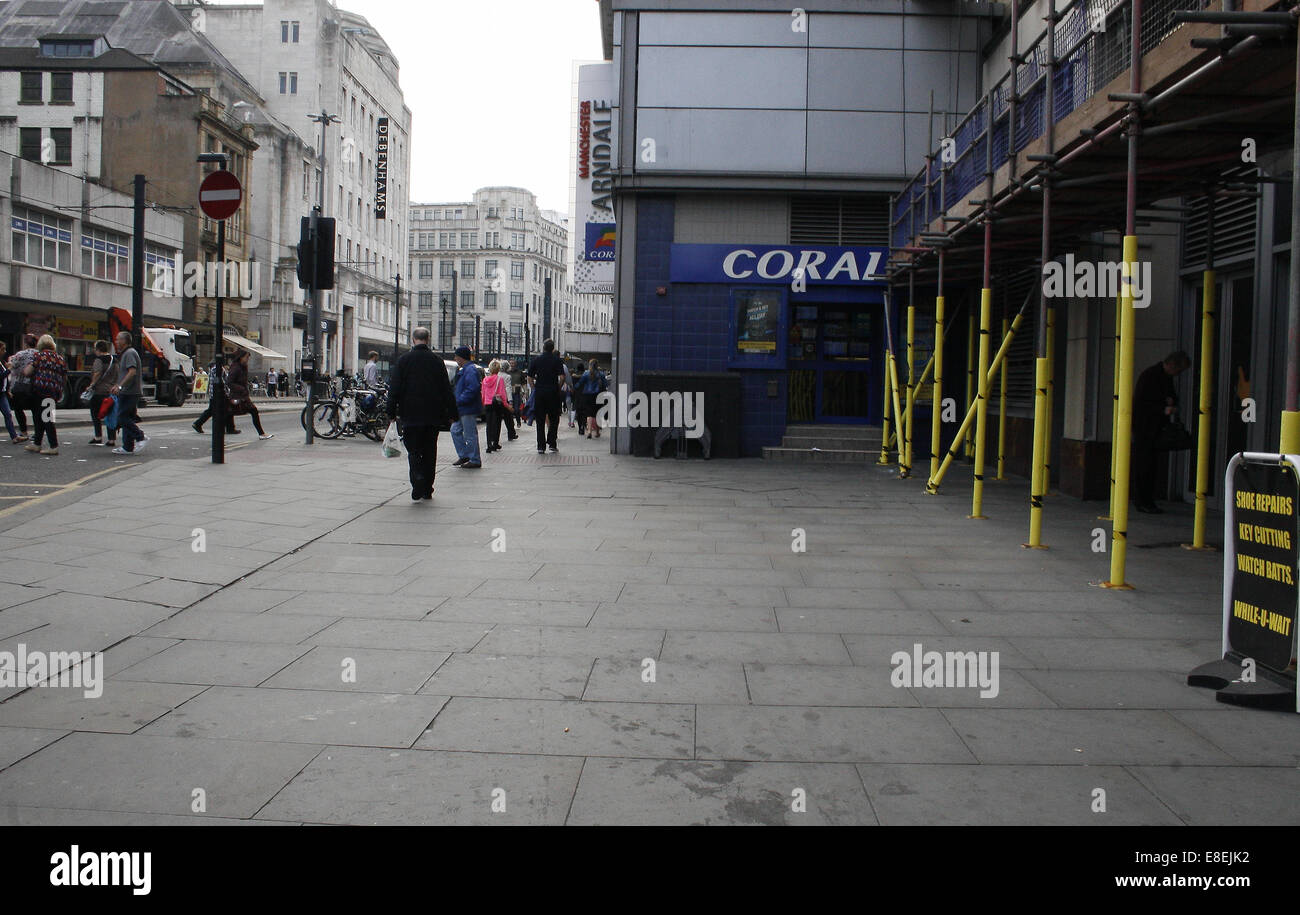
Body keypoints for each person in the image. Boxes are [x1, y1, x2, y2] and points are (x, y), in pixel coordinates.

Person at [387, 327, 458, 500]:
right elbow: (446, 389)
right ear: (428, 339)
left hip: (410, 413)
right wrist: (453, 412)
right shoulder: (437, 361)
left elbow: (394, 388)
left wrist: (390, 411)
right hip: (433, 415)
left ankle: (417, 478)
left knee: (413, 449)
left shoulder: (404, 360)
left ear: (413, 340)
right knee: (430, 450)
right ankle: (427, 487)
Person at [1132, 350, 1191, 514]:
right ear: (1172, 364)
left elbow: (1169, 397)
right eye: (1178, 371)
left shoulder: (1162, 377)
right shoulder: (1151, 376)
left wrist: (1170, 403)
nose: (1178, 374)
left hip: (1153, 428)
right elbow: (1141, 404)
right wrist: (1163, 409)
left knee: (1150, 466)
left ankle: (1146, 500)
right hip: (1146, 428)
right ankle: (1142, 500)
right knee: (1144, 466)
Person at [22, 334, 66, 455]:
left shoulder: (39, 356)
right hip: (53, 391)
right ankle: (37, 443)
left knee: (41, 418)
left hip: (40, 390)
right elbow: (63, 376)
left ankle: (53, 446)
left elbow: (27, 372)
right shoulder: (60, 358)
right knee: (46, 417)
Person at [110, 331, 148, 455]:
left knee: (122, 417)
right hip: (128, 391)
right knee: (128, 417)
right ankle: (127, 447)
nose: (116, 342)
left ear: (124, 341)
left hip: (130, 392)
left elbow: (132, 372)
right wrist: (117, 385)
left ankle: (140, 436)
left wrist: (120, 386)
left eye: (118, 339)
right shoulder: (127, 353)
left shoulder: (130, 353)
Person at [526, 338, 566, 454]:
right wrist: (558, 387)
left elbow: (529, 377)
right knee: (554, 418)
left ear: (543, 347)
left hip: (540, 392)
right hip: (553, 392)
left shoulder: (537, 359)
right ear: (553, 348)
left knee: (540, 419)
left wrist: (534, 388)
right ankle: (552, 443)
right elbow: (562, 377)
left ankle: (541, 446)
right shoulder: (557, 360)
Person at [227, 350, 273, 439]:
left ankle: (229, 429)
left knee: (230, 412)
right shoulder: (236, 367)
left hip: (242, 395)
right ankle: (261, 433)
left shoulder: (243, 366)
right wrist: (242, 389)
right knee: (253, 411)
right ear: (241, 357)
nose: (248, 359)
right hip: (238, 396)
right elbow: (229, 382)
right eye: (246, 357)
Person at [449, 345, 482, 468]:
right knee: (455, 430)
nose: (455, 359)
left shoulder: (470, 370)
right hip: (463, 407)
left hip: (467, 407)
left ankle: (474, 459)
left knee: (469, 434)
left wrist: (460, 400)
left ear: (461, 357)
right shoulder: (466, 369)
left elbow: (472, 388)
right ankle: (465, 455)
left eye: (456, 356)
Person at [7, 333, 37, 440]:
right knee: (35, 410)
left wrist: (10, 360)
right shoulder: (39, 354)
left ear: (25, 343)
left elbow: (11, 366)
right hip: (34, 386)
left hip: (19, 386)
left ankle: (24, 431)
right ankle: (37, 433)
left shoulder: (19, 354)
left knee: (18, 409)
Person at [87, 339, 116, 447]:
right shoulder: (114, 359)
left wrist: (92, 384)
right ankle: (111, 439)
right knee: (110, 415)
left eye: (95, 348)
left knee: (96, 414)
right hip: (110, 392)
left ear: (98, 349)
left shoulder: (99, 360)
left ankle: (98, 436)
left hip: (99, 391)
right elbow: (117, 374)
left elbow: (97, 372)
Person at [481, 359, 513, 453]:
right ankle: (495, 443)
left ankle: (488, 445)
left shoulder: (485, 380)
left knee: (489, 424)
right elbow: (503, 394)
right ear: (498, 369)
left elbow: (483, 394)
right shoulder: (500, 379)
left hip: (488, 403)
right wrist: (507, 405)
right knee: (497, 423)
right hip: (497, 403)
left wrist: (483, 403)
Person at [0, 342, 25, 443]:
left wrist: (7, 391)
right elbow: (1, 377)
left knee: (7, 414)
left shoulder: (1, 362)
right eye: (3, 349)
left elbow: (4, 380)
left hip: (2, 394)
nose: (5, 351)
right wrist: (9, 369)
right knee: (7, 414)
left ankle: (14, 437)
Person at [577, 359, 608, 438]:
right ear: (597, 365)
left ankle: (589, 431)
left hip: (587, 396)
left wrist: (574, 388)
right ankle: (597, 432)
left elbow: (580, 383)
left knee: (589, 414)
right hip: (598, 396)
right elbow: (605, 384)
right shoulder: (601, 374)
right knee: (597, 414)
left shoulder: (586, 373)